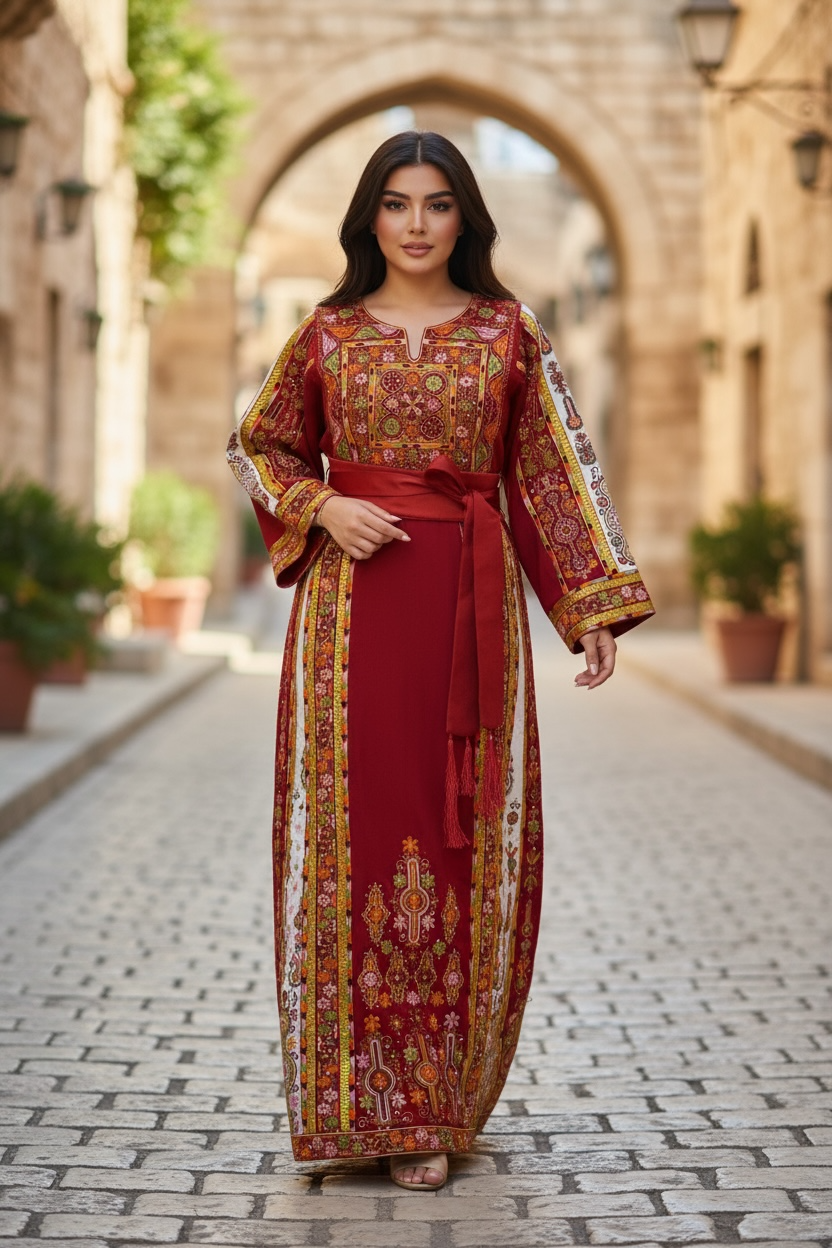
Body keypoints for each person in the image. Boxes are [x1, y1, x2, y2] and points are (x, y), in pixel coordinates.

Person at [227, 130, 654, 1191]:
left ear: (466, 218)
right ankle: (345, 1105)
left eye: (437, 205)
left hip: (469, 615)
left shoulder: (510, 334)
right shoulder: (324, 336)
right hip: (349, 615)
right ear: (368, 217)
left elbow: (553, 467)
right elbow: (259, 445)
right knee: (354, 839)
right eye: (396, 203)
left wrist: (589, 601)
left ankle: (423, 1107)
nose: (416, 224)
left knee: (450, 842)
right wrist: (324, 505)